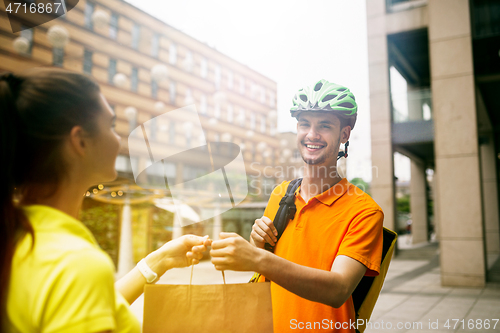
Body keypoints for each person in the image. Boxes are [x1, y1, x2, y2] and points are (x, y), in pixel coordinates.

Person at [0, 68, 210, 332]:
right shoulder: (76, 263)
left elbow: (83, 308)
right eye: (111, 125)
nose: (118, 138)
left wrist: (159, 260)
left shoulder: (18, 237)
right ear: (80, 141)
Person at [210, 80, 384, 332]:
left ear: (344, 134)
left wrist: (256, 257)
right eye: (305, 124)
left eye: (324, 126)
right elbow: (269, 266)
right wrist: (258, 244)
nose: (312, 134)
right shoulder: (281, 194)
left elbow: (338, 289)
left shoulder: (364, 211)